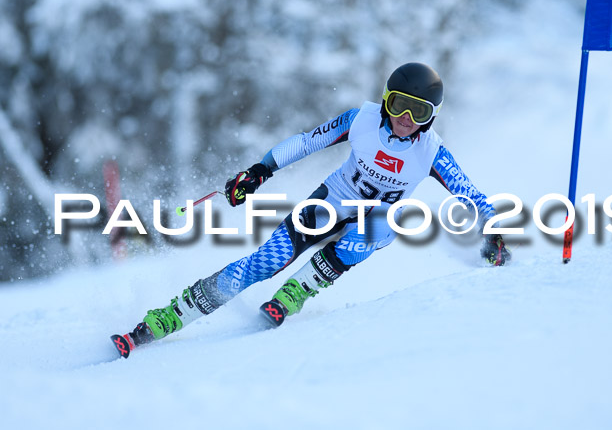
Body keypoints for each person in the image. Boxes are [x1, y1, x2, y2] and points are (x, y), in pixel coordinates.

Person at [118, 62, 511, 349]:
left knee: (379, 227)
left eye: (418, 112)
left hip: (373, 219)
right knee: (264, 263)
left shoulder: (431, 152)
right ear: (386, 101)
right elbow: (307, 141)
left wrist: (493, 231)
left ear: (431, 117)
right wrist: (259, 170)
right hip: (331, 202)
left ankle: (296, 292)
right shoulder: (361, 120)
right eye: (399, 106)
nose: (405, 119)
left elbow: (470, 194)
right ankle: (169, 316)